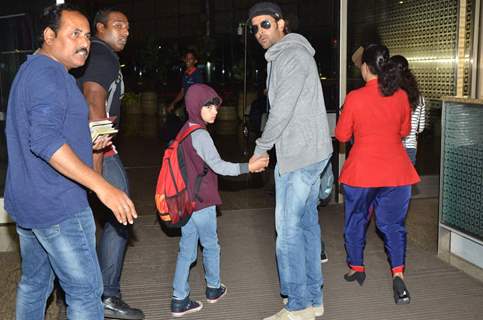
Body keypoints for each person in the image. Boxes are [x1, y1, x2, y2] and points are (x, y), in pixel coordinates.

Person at [5, 4, 137, 319]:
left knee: (35, 284)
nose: (84, 43)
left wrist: (91, 144)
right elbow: (46, 142)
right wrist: (103, 187)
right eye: (74, 33)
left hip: (30, 201)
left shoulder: (34, 69)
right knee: (86, 294)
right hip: (58, 205)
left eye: (88, 36)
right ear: (49, 36)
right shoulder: (48, 74)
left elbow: (46, 133)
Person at [248, 2, 333, 320]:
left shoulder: (291, 55)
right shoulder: (285, 56)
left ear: (281, 24)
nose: (259, 32)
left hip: (300, 156)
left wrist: (261, 147)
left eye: (265, 24)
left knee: (287, 232)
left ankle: (297, 305)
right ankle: (313, 300)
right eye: (254, 28)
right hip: (305, 153)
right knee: (307, 226)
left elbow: (281, 110)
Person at [169, 83, 269, 317]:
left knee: (186, 250)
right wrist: (248, 167)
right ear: (195, 106)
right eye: (208, 106)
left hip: (186, 202)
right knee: (211, 245)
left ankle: (179, 298)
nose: (215, 110)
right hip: (202, 203)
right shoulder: (201, 135)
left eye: (215, 105)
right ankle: (213, 288)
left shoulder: (185, 129)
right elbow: (220, 167)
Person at [335, 44, 420, 305]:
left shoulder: (355, 97)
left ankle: (357, 268)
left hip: (362, 171)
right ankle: (398, 274)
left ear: (365, 67)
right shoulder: (402, 97)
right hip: (397, 172)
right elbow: (405, 131)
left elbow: (341, 136)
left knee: (356, 220)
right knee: (393, 225)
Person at [76, 8, 144, 319]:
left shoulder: (99, 55)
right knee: (120, 214)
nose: (126, 31)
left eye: (128, 26)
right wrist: (97, 162)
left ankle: (97, 292)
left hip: (100, 147)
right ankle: (105, 294)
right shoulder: (102, 55)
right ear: (99, 28)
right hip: (96, 150)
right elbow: (93, 98)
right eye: (118, 25)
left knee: (116, 214)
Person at [390, 54, 426, 165]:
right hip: (411, 148)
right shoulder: (419, 97)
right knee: (406, 181)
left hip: (392, 148)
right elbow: (420, 128)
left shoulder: (391, 96)